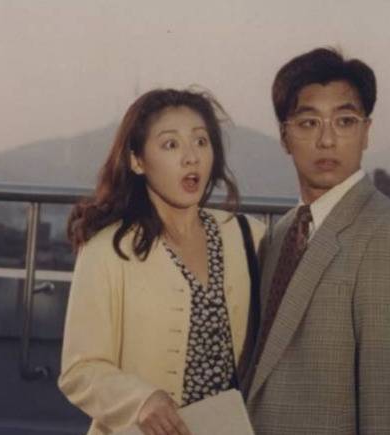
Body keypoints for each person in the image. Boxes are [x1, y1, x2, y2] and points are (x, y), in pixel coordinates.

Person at [242, 48, 390, 435]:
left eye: (345, 121)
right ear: (284, 136)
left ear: (366, 132)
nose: (327, 140)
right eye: (308, 123)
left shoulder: (389, 234)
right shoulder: (280, 234)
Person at [58, 88, 265, 435]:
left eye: (201, 142)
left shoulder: (248, 236)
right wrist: (141, 400)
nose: (191, 157)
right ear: (137, 161)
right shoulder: (108, 251)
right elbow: (79, 370)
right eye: (171, 144)